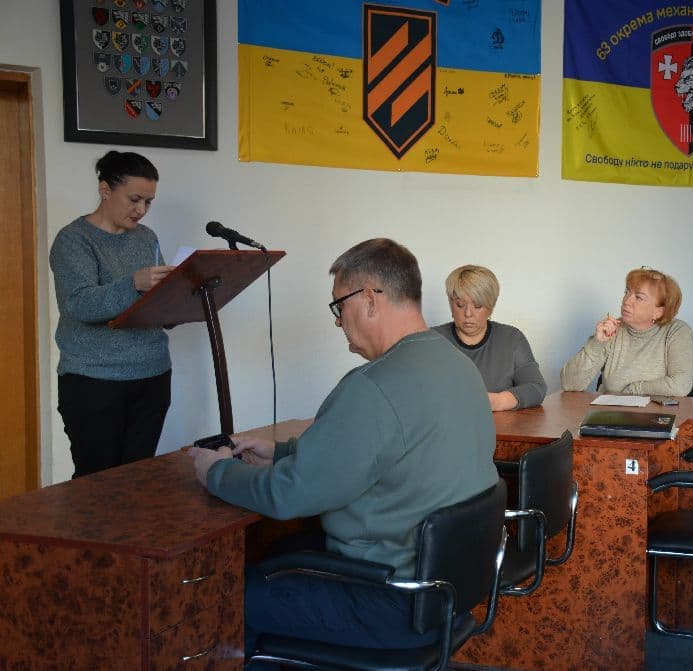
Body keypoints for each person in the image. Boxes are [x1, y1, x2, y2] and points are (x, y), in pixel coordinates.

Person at [189, 238, 498, 657]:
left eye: (339, 305)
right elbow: (386, 454)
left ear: (369, 299)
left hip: (390, 598)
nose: (338, 321)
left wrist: (216, 472)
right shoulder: (458, 366)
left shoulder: (374, 387)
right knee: (279, 553)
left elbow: (288, 494)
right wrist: (281, 453)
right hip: (447, 594)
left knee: (217, 597)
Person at [49, 150, 175, 478]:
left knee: (137, 479)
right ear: (105, 189)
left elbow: (154, 300)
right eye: (134, 199)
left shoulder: (147, 238)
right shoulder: (73, 240)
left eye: (148, 202)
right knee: (97, 483)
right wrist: (133, 283)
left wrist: (179, 300)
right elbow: (79, 304)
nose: (141, 210)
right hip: (94, 381)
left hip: (153, 375)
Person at [560, 267, 693, 397]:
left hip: (654, 412)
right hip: (610, 411)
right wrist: (597, 343)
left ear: (658, 312)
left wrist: (634, 389)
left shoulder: (677, 331)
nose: (627, 301)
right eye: (627, 292)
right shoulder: (613, 329)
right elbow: (570, 384)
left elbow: (680, 385)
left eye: (639, 297)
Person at [433, 264, 547, 410]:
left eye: (478, 306)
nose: (468, 313)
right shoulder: (430, 340)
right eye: (460, 305)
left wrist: (498, 401)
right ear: (450, 303)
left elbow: (536, 387)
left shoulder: (511, 339)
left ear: (491, 306)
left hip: (498, 424)